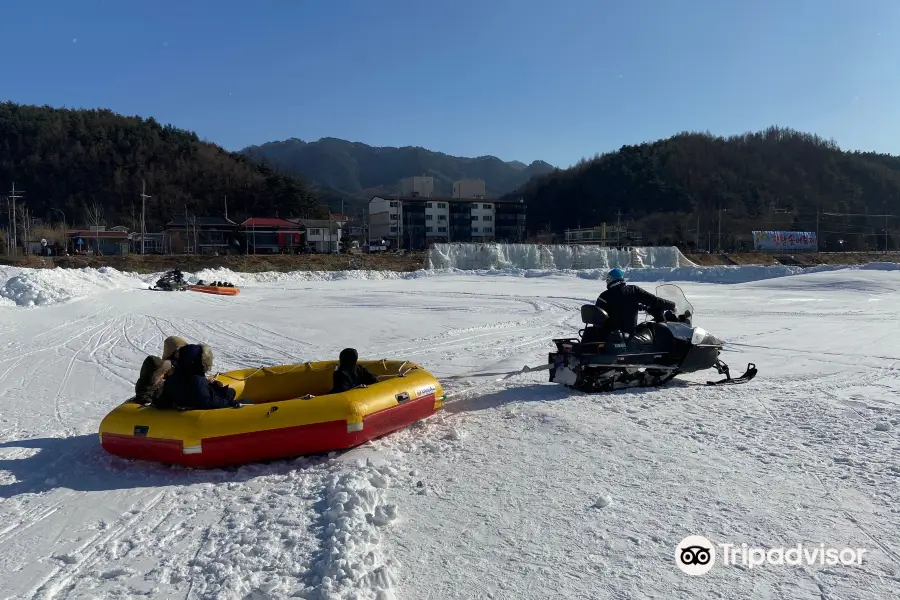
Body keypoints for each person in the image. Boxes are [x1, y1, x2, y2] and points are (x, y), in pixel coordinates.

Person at [595, 268, 677, 334]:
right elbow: (653, 300)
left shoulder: (603, 296)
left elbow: (619, 306)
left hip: (608, 333)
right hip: (629, 333)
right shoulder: (633, 290)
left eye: (607, 279)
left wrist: (643, 307)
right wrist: (672, 305)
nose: (606, 281)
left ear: (611, 280)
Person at [159, 343, 239, 410]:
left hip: (191, 400)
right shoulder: (196, 381)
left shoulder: (175, 377)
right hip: (200, 411)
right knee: (242, 399)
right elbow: (208, 402)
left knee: (230, 392)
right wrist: (230, 403)